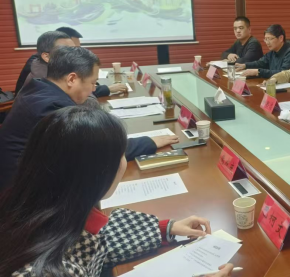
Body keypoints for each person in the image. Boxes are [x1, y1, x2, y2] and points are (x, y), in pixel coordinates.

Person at [0, 106, 233, 277]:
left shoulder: (35, 211)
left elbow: (94, 244)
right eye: (121, 154)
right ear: (96, 174)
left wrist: (165, 229)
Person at [0, 46, 177, 191]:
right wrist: (149, 142)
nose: (93, 89)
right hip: (25, 196)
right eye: (92, 83)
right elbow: (96, 152)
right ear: (71, 79)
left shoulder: (38, 89)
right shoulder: (53, 109)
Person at [56, 26, 127, 98]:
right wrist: (108, 89)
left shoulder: (68, 62)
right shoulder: (57, 68)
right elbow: (81, 91)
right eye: (74, 48)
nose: (77, 52)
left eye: (79, 48)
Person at [14, 31, 75, 95]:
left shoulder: (50, 70)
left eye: (75, 49)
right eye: (66, 51)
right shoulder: (43, 85)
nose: (75, 54)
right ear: (46, 57)